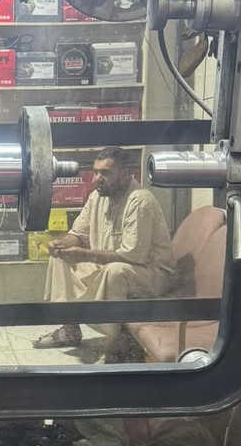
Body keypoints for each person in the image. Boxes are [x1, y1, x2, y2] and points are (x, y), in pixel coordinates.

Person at [33, 147, 174, 361]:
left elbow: (133, 256)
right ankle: (70, 330)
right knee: (60, 259)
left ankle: (115, 345)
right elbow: (78, 234)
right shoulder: (97, 197)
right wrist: (61, 245)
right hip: (109, 265)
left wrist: (86, 255)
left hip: (151, 274)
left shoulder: (140, 200)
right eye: (96, 172)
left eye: (105, 173)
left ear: (126, 174)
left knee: (115, 272)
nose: (97, 179)